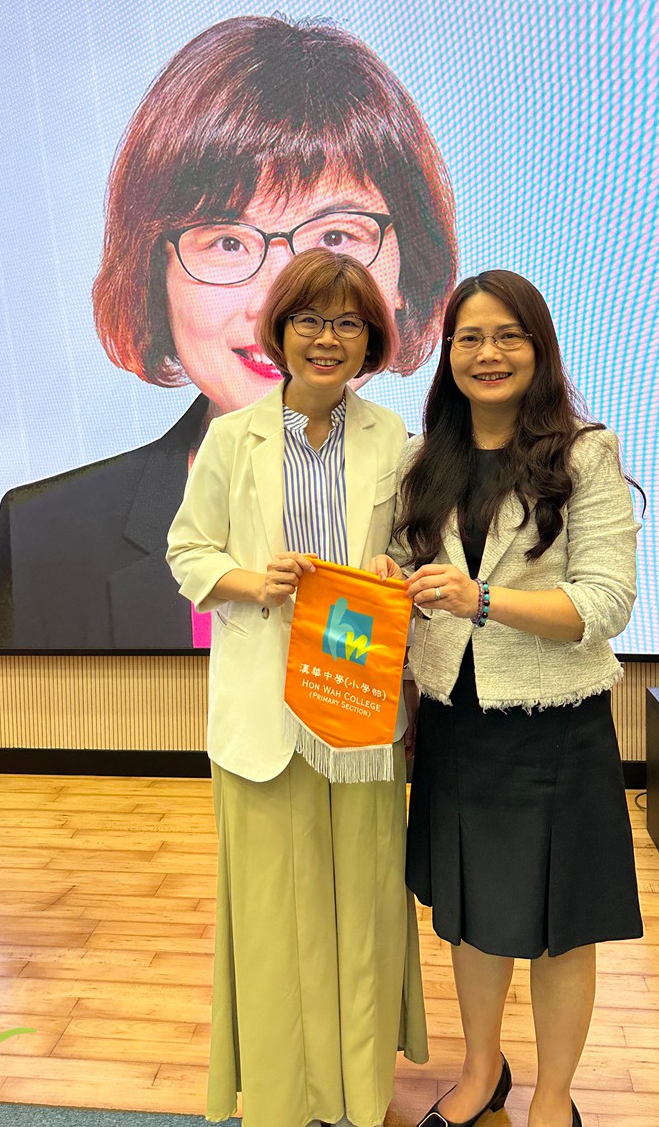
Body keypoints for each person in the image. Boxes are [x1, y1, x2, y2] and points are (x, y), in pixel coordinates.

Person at [0, 15, 456, 648]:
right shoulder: (47, 539)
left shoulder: (477, 513)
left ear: (408, 272)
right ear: (155, 276)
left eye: (335, 236)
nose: (280, 307)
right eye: (229, 241)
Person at [373, 270, 642, 1127]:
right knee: (469, 913)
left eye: (506, 336)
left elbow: (605, 603)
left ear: (538, 347)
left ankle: (553, 1096)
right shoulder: (422, 462)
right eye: (469, 338)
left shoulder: (584, 454)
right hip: (453, 724)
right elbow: (403, 571)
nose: (487, 354)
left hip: (555, 726)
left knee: (564, 921)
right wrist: (385, 578)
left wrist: (483, 600)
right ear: (447, 353)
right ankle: (480, 1069)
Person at [166, 248, 428, 1127]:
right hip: (262, 715)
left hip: (357, 704)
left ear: (372, 340)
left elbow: (418, 551)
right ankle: (282, 1099)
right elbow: (188, 552)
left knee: (361, 908)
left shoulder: (392, 438)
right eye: (309, 319)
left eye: (348, 322)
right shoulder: (232, 437)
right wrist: (254, 581)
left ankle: (356, 1094)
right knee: (274, 916)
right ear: (278, 331)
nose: (327, 338)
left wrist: (396, 569)